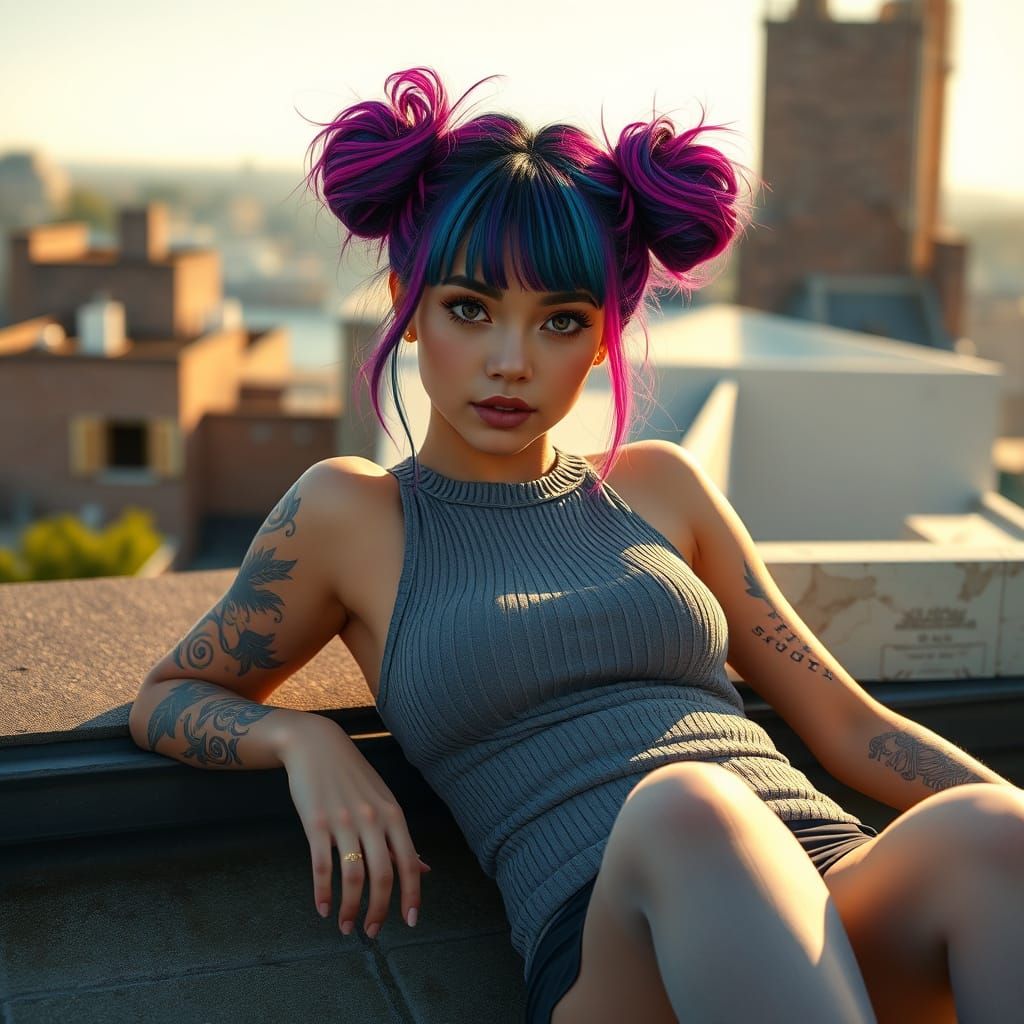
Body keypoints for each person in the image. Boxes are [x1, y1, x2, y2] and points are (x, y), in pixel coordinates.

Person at [129, 66, 1024, 1024]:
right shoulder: (349, 514)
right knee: (691, 811)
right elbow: (169, 698)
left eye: (561, 322)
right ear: (408, 301)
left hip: (827, 885)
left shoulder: (658, 485)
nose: (511, 361)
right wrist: (300, 738)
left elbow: (853, 727)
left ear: (602, 339)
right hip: (619, 942)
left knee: (993, 829)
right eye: (470, 309)